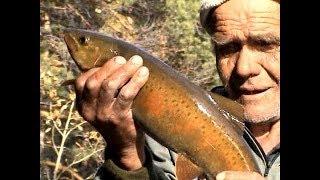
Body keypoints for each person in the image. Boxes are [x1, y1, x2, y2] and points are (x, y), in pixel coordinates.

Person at [74, 0, 280, 179]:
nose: (244, 68)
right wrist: (126, 157)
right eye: (227, 48)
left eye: (266, 44)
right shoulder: (158, 140)